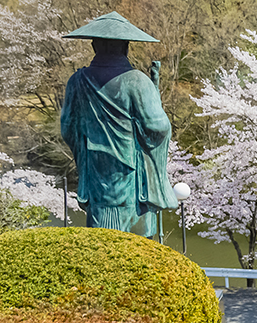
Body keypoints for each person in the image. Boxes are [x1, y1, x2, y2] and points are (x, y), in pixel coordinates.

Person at [61, 12, 176, 236]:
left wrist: (88, 147)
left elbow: (68, 128)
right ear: (125, 47)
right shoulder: (138, 81)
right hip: (131, 180)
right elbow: (158, 128)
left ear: (94, 45)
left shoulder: (77, 81)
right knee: (138, 247)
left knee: (100, 242)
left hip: (96, 175)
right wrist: (153, 96)